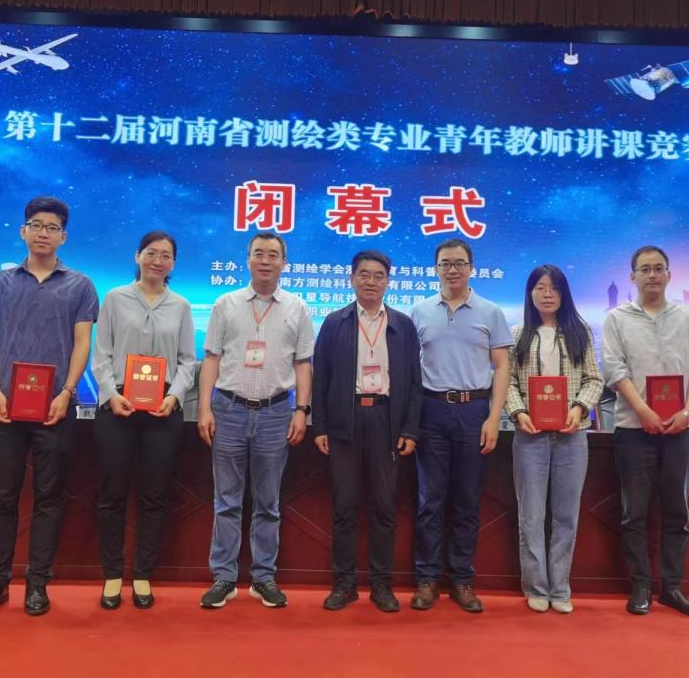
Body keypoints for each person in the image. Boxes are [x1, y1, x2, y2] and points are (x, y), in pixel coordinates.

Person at [0, 196, 99, 618]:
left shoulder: (80, 285)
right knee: (2, 498)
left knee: (49, 498)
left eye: (52, 227)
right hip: (5, 408)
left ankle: (38, 584)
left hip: (56, 409)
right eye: (36, 225)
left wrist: (67, 391)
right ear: (23, 231)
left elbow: (82, 343)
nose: (44, 233)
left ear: (64, 237)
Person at [197, 232, 314, 608]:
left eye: (273, 255)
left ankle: (263, 577)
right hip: (229, 410)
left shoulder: (297, 307)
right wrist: (204, 408)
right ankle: (224, 577)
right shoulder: (225, 304)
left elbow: (303, 363)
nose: (265, 260)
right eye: (258, 254)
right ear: (247, 259)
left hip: (276, 413)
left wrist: (301, 410)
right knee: (226, 500)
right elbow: (212, 358)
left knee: (268, 502)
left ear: (284, 263)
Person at [312, 250, 422, 613]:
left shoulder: (403, 325)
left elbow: (415, 381)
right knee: (344, 507)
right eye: (364, 274)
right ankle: (344, 584)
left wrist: (410, 429)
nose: (371, 281)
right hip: (345, 421)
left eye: (378, 275)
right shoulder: (335, 323)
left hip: (386, 421)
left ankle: (381, 584)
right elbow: (321, 377)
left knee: (384, 507)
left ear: (388, 282)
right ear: (352, 279)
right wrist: (320, 426)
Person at [602, 245, 689, 618]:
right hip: (634, 430)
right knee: (634, 513)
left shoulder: (688, 317)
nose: (652, 275)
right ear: (632, 276)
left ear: (669, 275)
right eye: (645, 269)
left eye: (658, 268)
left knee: (677, 512)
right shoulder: (616, 318)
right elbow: (615, 371)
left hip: (681, 429)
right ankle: (640, 587)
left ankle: (672, 588)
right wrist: (644, 411)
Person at [91, 230, 196, 610]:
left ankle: (143, 574)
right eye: (151, 253)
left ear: (173, 263)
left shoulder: (181, 305)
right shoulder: (115, 298)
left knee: (154, 494)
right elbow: (101, 355)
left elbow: (188, 361)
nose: (158, 260)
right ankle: (112, 574)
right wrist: (111, 394)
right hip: (118, 405)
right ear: (137, 256)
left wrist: (173, 396)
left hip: (162, 409)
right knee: (112, 494)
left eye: (166, 255)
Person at [410, 238, 512, 613]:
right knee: (430, 500)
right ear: (435, 269)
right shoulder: (419, 311)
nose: (452, 269)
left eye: (459, 263)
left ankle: (462, 580)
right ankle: (426, 579)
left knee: (467, 501)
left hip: (474, 411)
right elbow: (409, 369)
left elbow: (502, 366)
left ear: (471, 268)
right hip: (431, 410)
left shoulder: (491, 312)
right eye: (445, 263)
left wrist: (494, 418)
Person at [505, 264, 603, 614]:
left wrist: (579, 408)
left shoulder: (580, 331)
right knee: (531, 515)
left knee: (566, 515)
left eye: (554, 288)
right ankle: (536, 586)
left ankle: (560, 588)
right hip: (529, 436)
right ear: (530, 293)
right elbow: (507, 382)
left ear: (564, 294)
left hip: (571, 437)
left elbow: (595, 379)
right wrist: (518, 412)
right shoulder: (517, 334)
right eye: (540, 287)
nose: (547, 294)